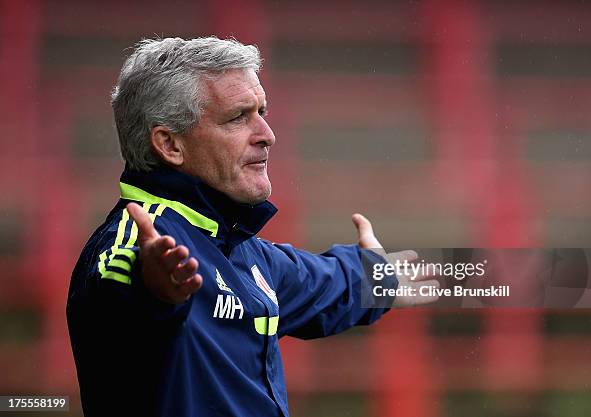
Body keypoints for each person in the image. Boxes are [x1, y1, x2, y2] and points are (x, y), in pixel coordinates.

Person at [66, 36, 434, 417]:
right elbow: (119, 297)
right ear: (170, 144)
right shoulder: (140, 245)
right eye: (238, 117)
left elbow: (320, 281)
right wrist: (155, 294)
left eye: (262, 112)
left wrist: (377, 277)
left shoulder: (240, 250)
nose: (266, 134)